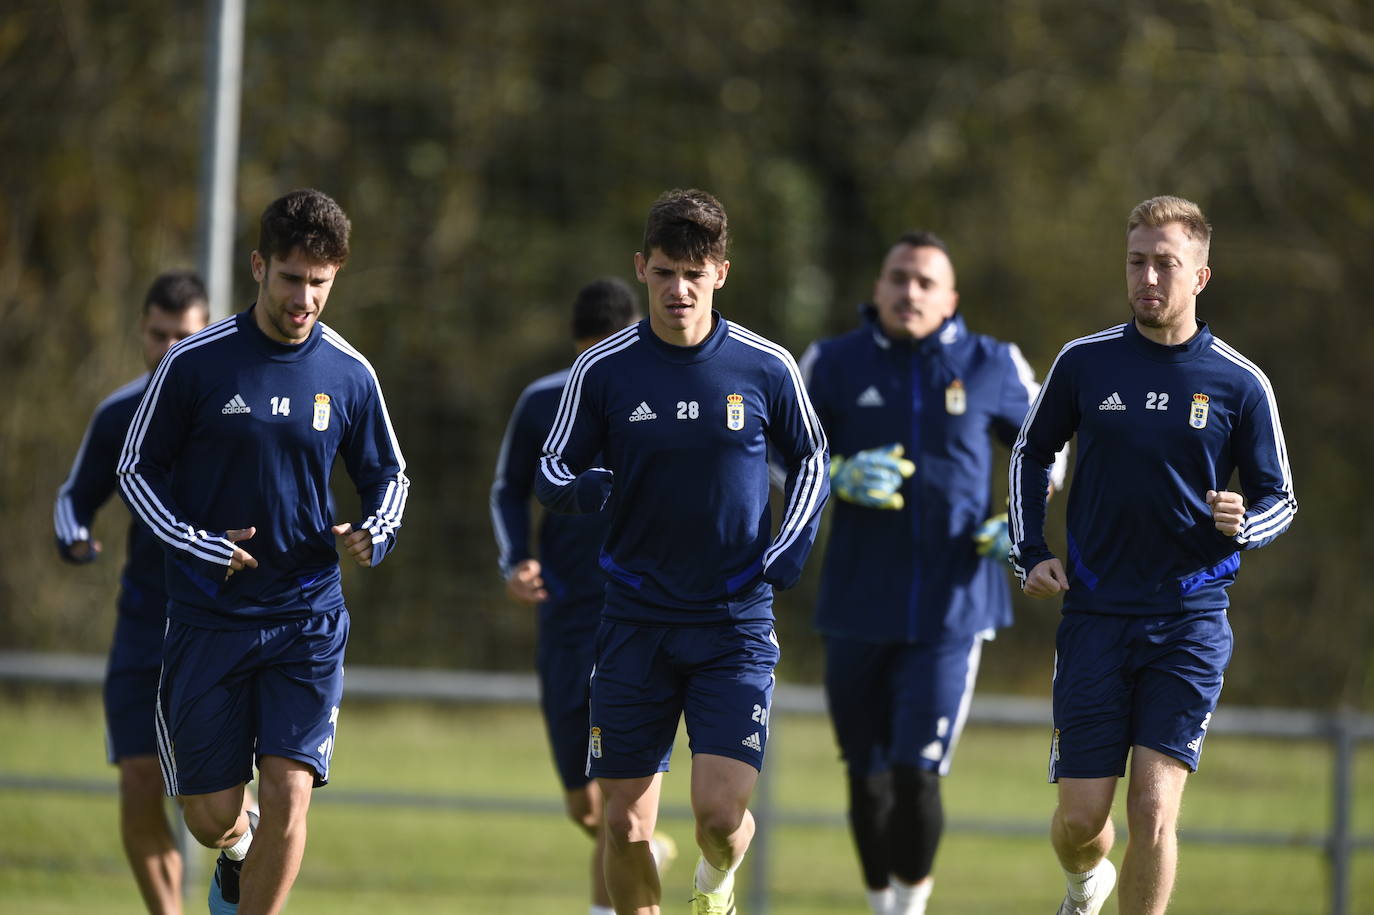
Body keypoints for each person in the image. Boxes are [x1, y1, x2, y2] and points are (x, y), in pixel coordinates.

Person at [536, 188, 830, 915]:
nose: (679, 289)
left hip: (732, 621)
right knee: (625, 823)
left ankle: (717, 882)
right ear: (642, 269)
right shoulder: (603, 369)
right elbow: (549, 467)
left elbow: (815, 459)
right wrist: (581, 488)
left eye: (695, 273)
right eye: (665, 272)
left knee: (719, 817)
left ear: (721, 273)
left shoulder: (765, 366)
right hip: (634, 620)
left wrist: (790, 542)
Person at [117, 188, 410, 915]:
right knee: (210, 813)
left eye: (320, 281)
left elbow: (390, 475)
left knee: (289, 792)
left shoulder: (349, 373)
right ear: (259, 267)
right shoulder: (194, 364)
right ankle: (236, 852)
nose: (305, 296)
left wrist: (374, 531)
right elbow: (134, 468)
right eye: (291, 278)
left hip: (306, 616)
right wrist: (196, 540)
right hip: (208, 618)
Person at [1009, 195, 1296, 915]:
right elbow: (1030, 450)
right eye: (1137, 262)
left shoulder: (1240, 382)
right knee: (1081, 823)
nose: (1148, 278)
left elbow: (1280, 498)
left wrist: (1244, 523)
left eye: (1165, 263)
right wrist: (1029, 550)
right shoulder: (1084, 362)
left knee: (1154, 810)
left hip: (1190, 618)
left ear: (1200, 274)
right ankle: (1084, 886)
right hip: (1096, 615)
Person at [799, 231, 1065, 915]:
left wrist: (1020, 519)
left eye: (924, 281)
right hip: (855, 603)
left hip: (953, 611)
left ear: (950, 298)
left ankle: (908, 910)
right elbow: (775, 455)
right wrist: (833, 474)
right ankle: (879, 904)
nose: (909, 291)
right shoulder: (828, 363)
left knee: (918, 773)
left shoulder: (993, 363)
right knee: (867, 777)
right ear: (878, 287)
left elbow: (1051, 450)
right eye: (897, 277)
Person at [491, 277, 677, 915]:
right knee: (585, 805)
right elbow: (508, 489)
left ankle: (620, 889)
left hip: (635, 617)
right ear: (576, 350)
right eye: (587, 356)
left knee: (619, 796)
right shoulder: (544, 402)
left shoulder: (657, 395)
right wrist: (517, 560)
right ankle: (644, 854)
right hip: (566, 619)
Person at [53, 271, 209, 913]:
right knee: (140, 780)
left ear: (205, 332)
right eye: (158, 334)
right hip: (142, 623)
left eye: (185, 335)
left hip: (214, 626)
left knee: (211, 796)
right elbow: (74, 499)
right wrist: (75, 538)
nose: (169, 346)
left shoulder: (231, 409)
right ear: (142, 332)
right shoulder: (120, 413)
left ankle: (237, 888)